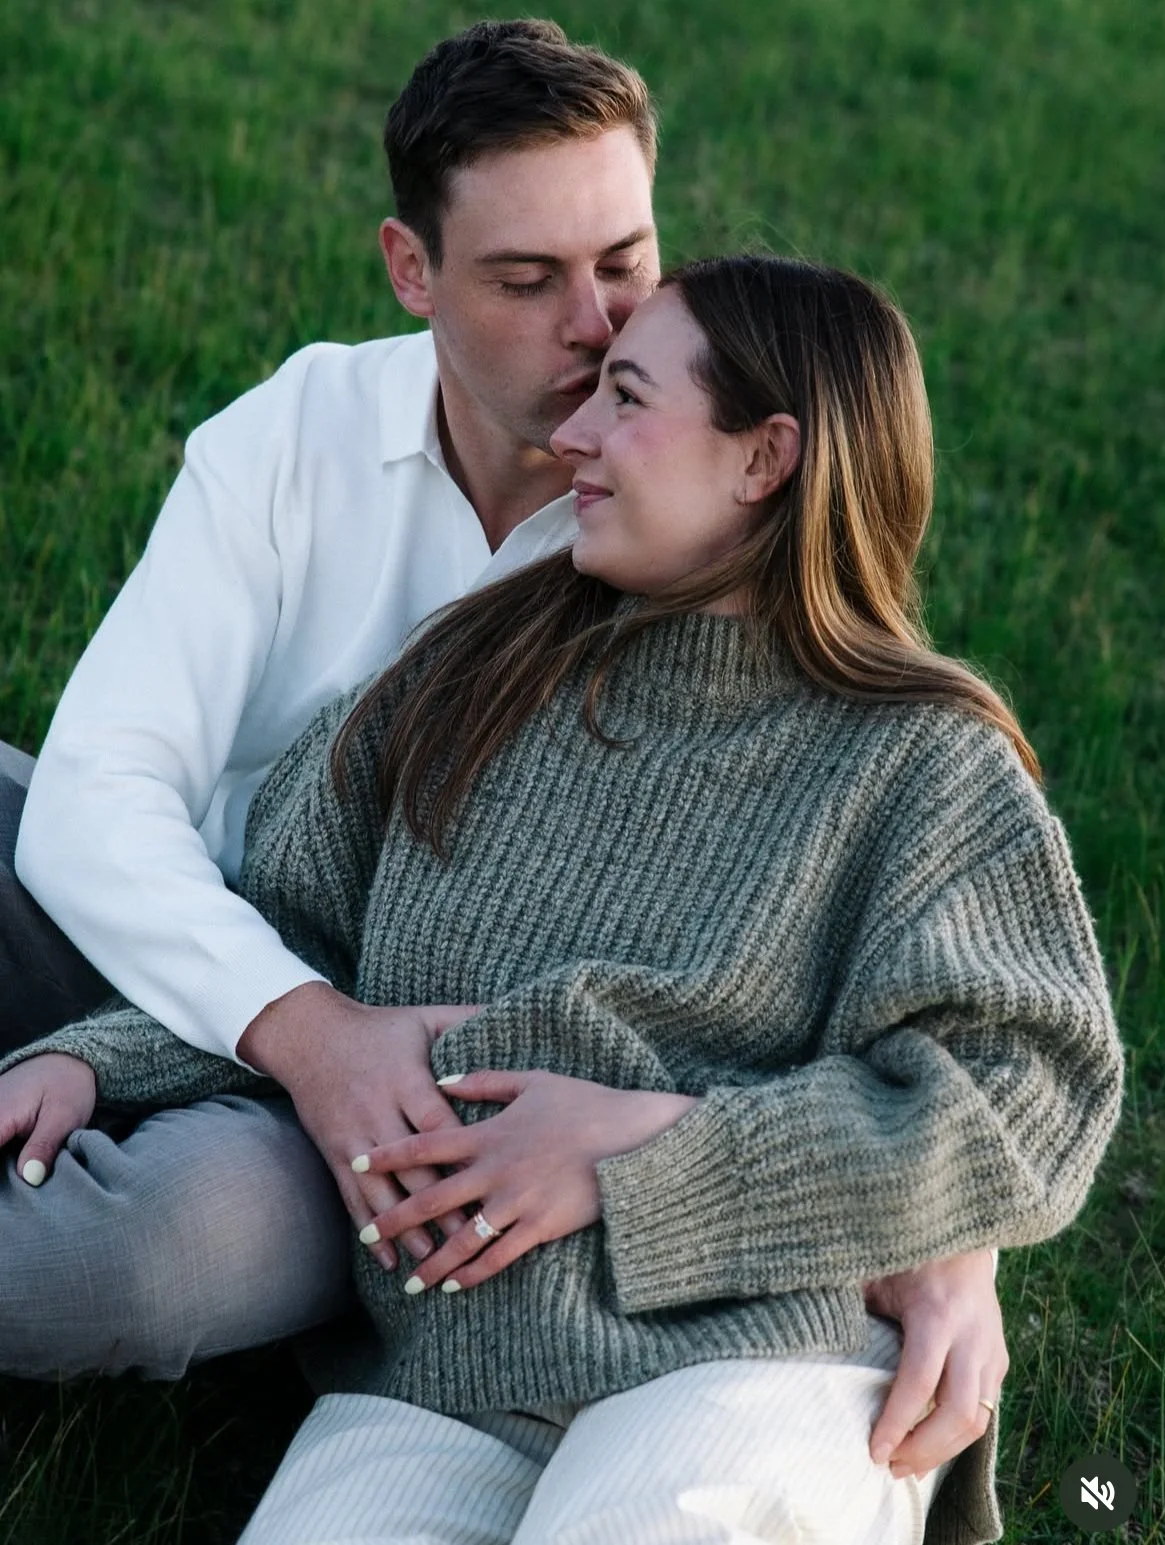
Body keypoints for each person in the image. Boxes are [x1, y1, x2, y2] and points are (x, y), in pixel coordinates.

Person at [0, 21, 1003, 1478]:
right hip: (194, 953)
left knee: (124, 1257)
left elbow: (863, 882)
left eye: (624, 265)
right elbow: (95, 796)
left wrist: (941, 1234)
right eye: (526, 281)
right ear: (413, 272)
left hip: (406, 1073)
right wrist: (291, 1022)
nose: (594, 328)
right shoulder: (299, 431)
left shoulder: (697, 530)